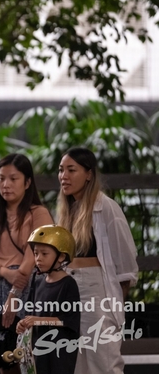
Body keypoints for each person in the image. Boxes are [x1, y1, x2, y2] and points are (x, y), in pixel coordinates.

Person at [57, 147, 138, 374]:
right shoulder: (66, 210)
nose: (64, 176)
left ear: (89, 174)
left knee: (103, 359)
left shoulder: (107, 207)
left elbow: (126, 264)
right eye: (61, 170)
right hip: (68, 290)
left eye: (71, 170)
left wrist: (115, 305)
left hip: (97, 290)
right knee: (74, 361)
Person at [0, 153, 53, 374]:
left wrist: (14, 295)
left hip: (28, 287)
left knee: (30, 355)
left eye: (13, 178)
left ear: (27, 182)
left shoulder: (38, 213)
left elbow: (33, 256)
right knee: (4, 356)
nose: (6, 184)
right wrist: (3, 272)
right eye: (1, 178)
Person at [16, 224, 80, 374]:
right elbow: (30, 313)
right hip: (38, 349)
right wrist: (23, 323)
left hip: (59, 352)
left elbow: (69, 320)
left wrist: (38, 320)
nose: (38, 259)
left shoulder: (69, 284)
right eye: (36, 253)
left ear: (61, 257)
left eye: (44, 254)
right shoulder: (36, 281)